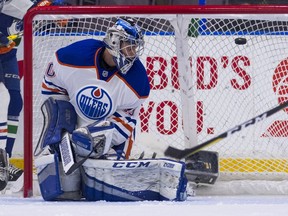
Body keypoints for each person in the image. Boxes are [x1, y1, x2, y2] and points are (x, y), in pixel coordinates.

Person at [35, 18, 187, 201]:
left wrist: (99, 139)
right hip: (74, 120)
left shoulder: (137, 81)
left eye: (135, 48)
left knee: (104, 184)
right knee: (62, 189)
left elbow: (125, 121)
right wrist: (62, 122)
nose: (133, 53)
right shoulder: (73, 57)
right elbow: (52, 87)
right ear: (114, 41)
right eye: (129, 46)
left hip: (107, 134)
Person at [0, 0, 67, 193]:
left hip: (8, 55)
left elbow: (40, 7)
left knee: (14, 103)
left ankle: (4, 161)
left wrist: (58, 8)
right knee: (2, 101)